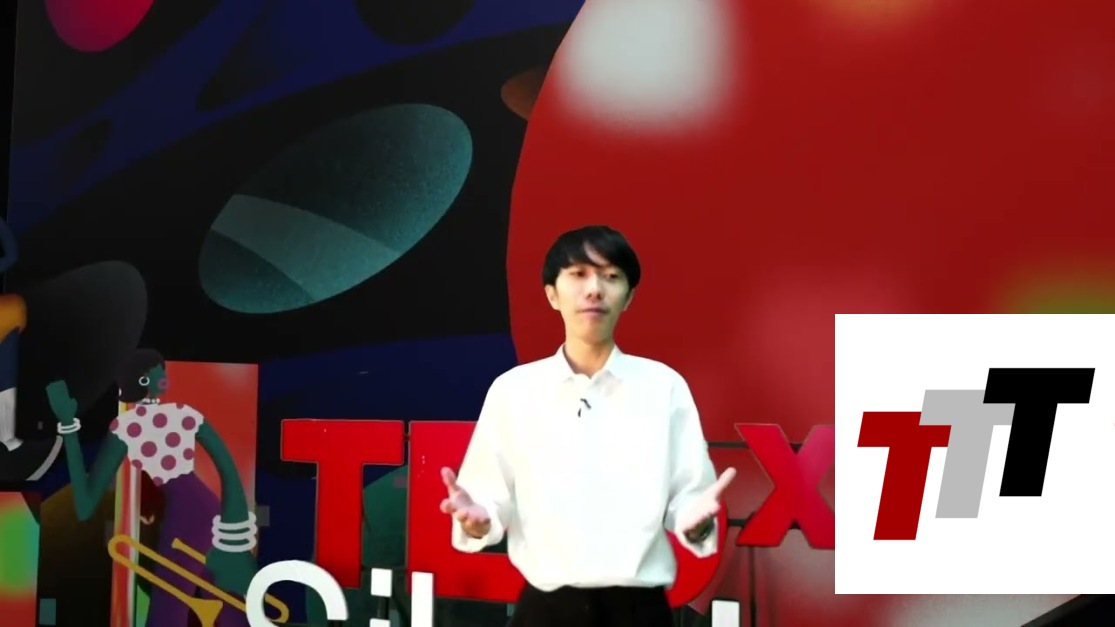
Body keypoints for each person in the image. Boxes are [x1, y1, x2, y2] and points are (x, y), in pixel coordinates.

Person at [440, 225, 736, 627]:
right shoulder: (514, 391)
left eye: (611, 276)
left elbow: (690, 499)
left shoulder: (663, 387)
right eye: (578, 274)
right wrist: (478, 519)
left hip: (639, 612)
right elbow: (486, 499)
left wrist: (696, 523)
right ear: (552, 294)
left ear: (628, 297)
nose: (594, 289)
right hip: (545, 611)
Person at [46, 349, 259, 627]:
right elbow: (227, 467)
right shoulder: (181, 415)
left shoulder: (127, 427)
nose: (165, 375)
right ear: (145, 379)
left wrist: (69, 428)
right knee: (216, 596)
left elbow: (85, 504)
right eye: (160, 370)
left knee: (169, 602)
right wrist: (233, 520)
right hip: (204, 507)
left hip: (189, 513)